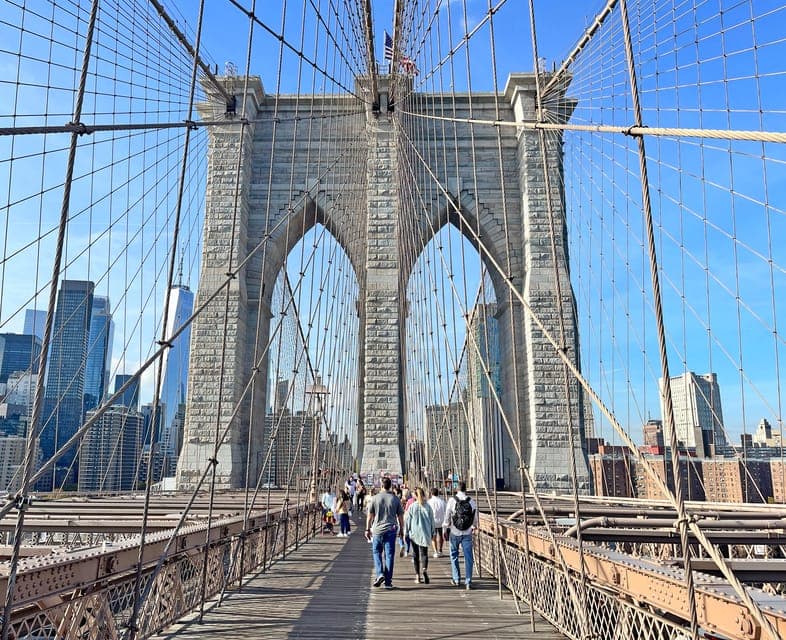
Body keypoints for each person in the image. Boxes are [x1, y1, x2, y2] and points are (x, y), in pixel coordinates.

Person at [365, 476, 404, 590]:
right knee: (389, 555)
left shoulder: (374, 498)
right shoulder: (395, 499)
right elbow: (400, 516)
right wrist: (402, 529)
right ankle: (388, 582)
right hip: (391, 529)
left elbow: (370, 516)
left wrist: (367, 529)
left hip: (377, 530)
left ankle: (379, 574)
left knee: (377, 552)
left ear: (381, 486)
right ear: (390, 486)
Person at [443, 481, 478, 589]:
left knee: (454, 556)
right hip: (467, 533)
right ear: (465, 489)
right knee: (468, 558)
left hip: (454, 532)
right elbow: (475, 517)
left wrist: (445, 528)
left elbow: (447, 516)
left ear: (457, 489)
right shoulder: (471, 501)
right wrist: (474, 526)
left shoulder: (452, 500)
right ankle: (468, 582)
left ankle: (456, 579)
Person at [404, 487, 435, 584]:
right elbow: (432, 521)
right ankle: (424, 569)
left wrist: (406, 532)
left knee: (415, 555)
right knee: (424, 554)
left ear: (416, 496)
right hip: (425, 533)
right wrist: (432, 532)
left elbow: (408, 521)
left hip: (414, 533)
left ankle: (417, 576)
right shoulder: (428, 507)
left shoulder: (412, 507)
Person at [427, 488, 447, 557]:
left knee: (433, 536)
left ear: (431, 494)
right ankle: (440, 550)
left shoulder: (429, 502)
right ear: (438, 493)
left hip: (432, 521)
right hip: (441, 521)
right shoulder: (442, 501)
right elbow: (445, 512)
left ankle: (435, 552)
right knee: (441, 536)